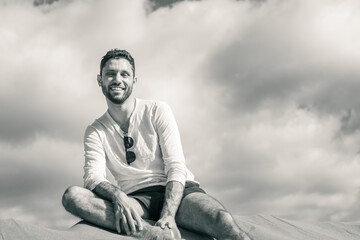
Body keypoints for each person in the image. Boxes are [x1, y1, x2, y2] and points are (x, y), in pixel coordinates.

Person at [62, 49, 251, 240]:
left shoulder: (156, 110)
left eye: (124, 74)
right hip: (136, 199)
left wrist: (168, 214)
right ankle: (152, 235)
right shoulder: (96, 130)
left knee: (222, 221)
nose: (117, 79)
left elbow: (176, 167)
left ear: (134, 80)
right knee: (74, 197)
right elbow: (93, 178)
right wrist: (118, 196)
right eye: (110, 74)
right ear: (100, 80)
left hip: (179, 192)